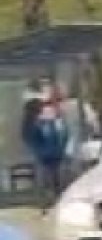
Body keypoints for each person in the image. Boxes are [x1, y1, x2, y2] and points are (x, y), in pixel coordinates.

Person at [20, 79, 69, 211]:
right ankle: (45, 204)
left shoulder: (56, 123)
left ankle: (57, 201)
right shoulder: (38, 123)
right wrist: (38, 151)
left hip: (57, 156)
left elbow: (63, 136)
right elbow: (31, 137)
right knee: (45, 180)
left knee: (58, 179)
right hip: (43, 157)